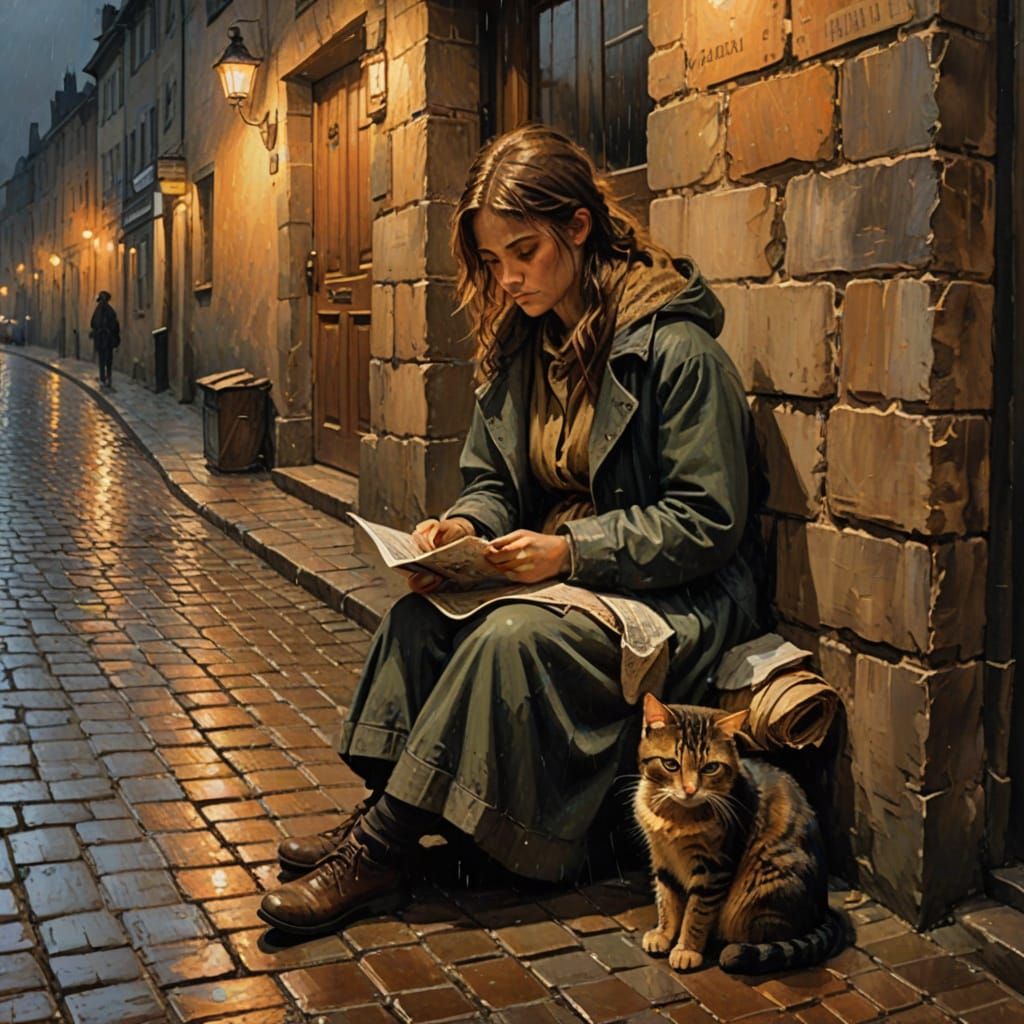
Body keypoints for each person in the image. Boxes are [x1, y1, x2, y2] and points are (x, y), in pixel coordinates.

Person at [258, 125, 769, 936]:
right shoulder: (526, 345)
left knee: (510, 640)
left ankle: (380, 853)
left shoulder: (676, 351)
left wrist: (569, 550)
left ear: (578, 225)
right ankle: (386, 813)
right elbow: (496, 478)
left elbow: (705, 522)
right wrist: (464, 526)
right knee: (419, 620)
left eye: (523, 251)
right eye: (495, 261)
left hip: (670, 596)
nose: (509, 276)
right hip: (562, 578)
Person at [89, 290, 119, 387]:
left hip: (107, 338)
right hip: (101, 338)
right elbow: (93, 323)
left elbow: (115, 325)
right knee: (103, 358)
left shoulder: (110, 311)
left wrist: (110, 333)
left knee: (107, 358)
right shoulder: (99, 311)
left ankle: (107, 376)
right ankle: (103, 376)